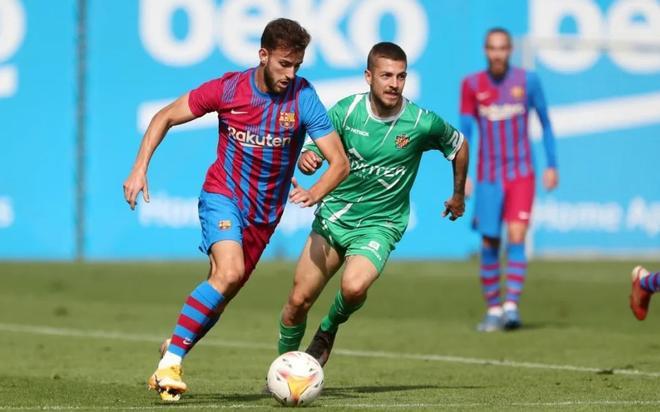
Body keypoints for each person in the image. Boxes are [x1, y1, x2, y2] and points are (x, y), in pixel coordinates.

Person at [123, 18, 349, 401]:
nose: (289, 74)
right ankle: (170, 365)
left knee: (222, 291)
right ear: (263, 56)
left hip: (264, 217)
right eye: (283, 64)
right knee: (229, 272)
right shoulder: (229, 89)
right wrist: (140, 167)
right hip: (223, 196)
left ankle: (174, 347)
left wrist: (316, 190)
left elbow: (339, 162)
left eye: (296, 66)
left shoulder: (303, 97)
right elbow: (164, 116)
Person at [275, 42, 468, 367]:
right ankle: (285, 367)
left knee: (353, 288)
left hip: (381, 224)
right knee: (298, 300)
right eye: (386, 75)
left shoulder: (421, 122)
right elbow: (318, 146)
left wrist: (458, 194)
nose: (394, 83)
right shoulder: (347, 111)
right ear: (369, 76)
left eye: (401, 76)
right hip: (335, 218)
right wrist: (310, 157)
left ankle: (328, 328)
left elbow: (459, 145)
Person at [459, 27, 558, 332]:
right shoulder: (472, 85)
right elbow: (464, 133)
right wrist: (461, 175)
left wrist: (552, 164)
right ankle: (493, 309)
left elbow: (545, 122)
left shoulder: (528, 81)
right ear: (485, 51)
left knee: (517, 236)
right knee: (490, 241)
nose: (497, 53)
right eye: (492, 48)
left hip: (521, 173)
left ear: (510, 50)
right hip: (489, 175)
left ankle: (512, 307)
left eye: (502, 48)